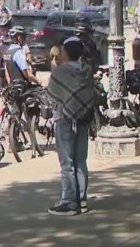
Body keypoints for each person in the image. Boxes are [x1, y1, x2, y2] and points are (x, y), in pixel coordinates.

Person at [47, 37, 96, 216]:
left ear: (66, 52)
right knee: (80, 160)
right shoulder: (86, 70)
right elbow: (88, 94)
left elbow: (52, 93)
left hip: (63, 118)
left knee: (67, 162)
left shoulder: (61, 71)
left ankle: (68, 202)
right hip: (83, 118)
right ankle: (82, 199)